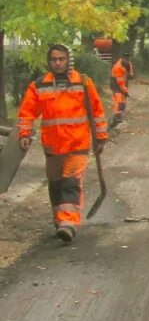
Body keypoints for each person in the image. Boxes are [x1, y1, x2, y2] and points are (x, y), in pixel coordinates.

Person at [16, 44, 108, 243]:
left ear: (69, 60)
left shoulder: (83, 83)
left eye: (61, 59)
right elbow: (26, 113)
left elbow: (97, 112)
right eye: (54, 59)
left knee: (71, 182)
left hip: (77, 144)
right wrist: (24, 133)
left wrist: (100, 137)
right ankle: (59, 221)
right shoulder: (39, 86)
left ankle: (68, 223)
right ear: (49, 62)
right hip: (52, 146)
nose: (57, 63)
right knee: (55, 184)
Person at [109, 48, 130, 126]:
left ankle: (120, 115)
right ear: (123, 67)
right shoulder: (118, 69)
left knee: (122, 100)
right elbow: (120, 83)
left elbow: (128, 72)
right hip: (115, 84)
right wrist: (125, 91)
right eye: (126, 70)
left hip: (119, 84)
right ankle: (116, 117)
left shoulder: (124, 63)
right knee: (118, 100)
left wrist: (125, 91)